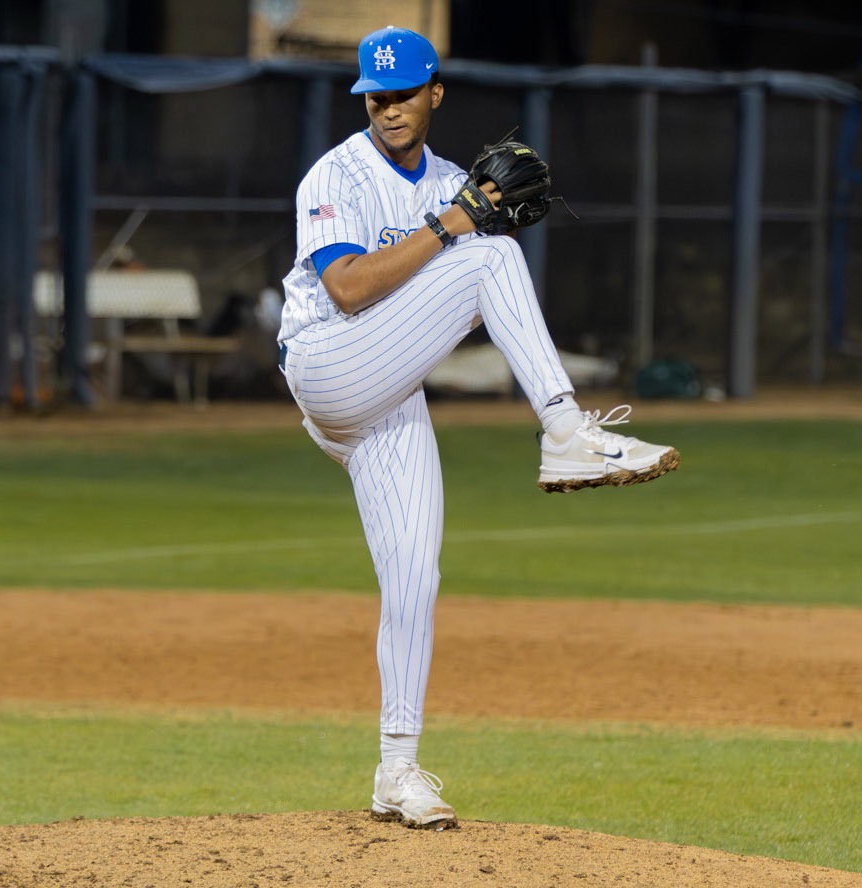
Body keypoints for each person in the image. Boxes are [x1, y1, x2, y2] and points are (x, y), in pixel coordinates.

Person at [275, 26, 679, 830]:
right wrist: (456, 229)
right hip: (326, 364)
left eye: (402, 94)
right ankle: (565, 431)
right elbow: (350, 290)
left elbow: (465, 302)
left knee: (414, 578)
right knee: (489, 259)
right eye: (374, 97)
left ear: (434, 93)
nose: (387, 109)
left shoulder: (458, 181)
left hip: (389, 391)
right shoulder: (337, 175)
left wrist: (466, 228)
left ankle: (396, 771)